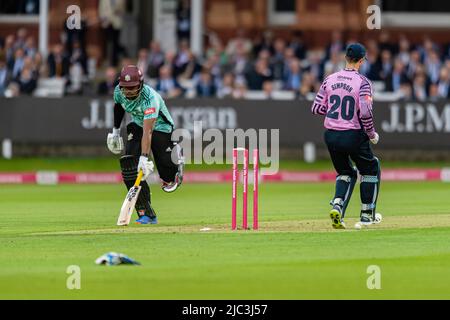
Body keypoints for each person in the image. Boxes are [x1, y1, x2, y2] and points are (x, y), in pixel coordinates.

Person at [311, 43, 382, 229]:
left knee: (345, 172)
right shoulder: (364, 82)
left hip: (331, 135)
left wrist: (336, 111)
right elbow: (365, 112)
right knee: (370, 169)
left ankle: (337, 205)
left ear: (346, 58)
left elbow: (316, 108)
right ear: (361, 61)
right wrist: (371, 133)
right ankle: (367, 215)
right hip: (353, 134)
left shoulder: (330, 79)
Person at [106, 65, 184, 225]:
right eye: (125, 88)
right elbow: (118, 107)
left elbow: (148, 132)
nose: (128, 91)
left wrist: (144, 158)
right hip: (137, 124)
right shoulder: (118, 91)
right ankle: (146, 213)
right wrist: (115, 131)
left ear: (141, 84)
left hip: (161, 128)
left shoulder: (150, 99)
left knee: (168, 180)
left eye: (133, 87)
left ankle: (176, 159)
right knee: (129, 166)